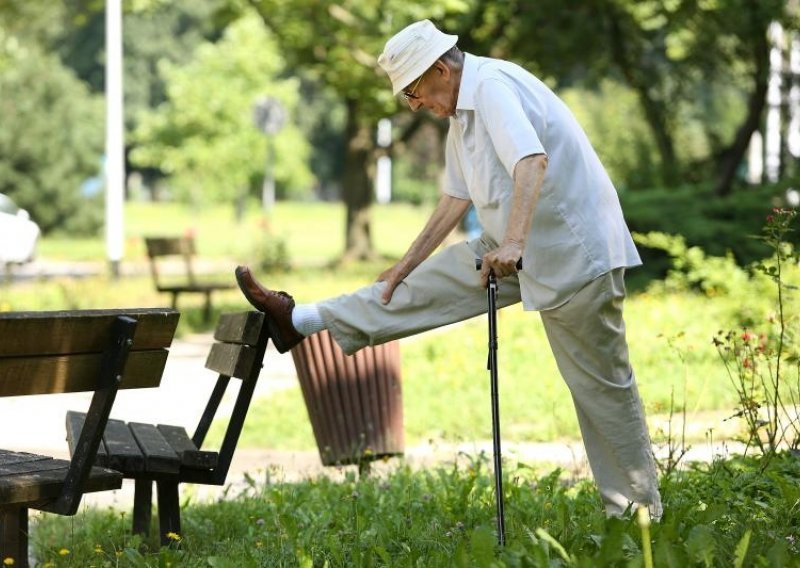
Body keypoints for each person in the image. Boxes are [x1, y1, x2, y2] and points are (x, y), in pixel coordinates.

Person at [236, 19, 662, 520]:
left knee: (599, 389)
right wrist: (403, 265)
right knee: (413, 288)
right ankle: (300, 319)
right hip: (514, 246)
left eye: (414, 92)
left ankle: (637, 517)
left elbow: (531, 161)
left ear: (440, 69)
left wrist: (516, 243)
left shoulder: (494, 90)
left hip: (571, 254)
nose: (414, 106)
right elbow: (455, 198)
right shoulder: (461, 115)